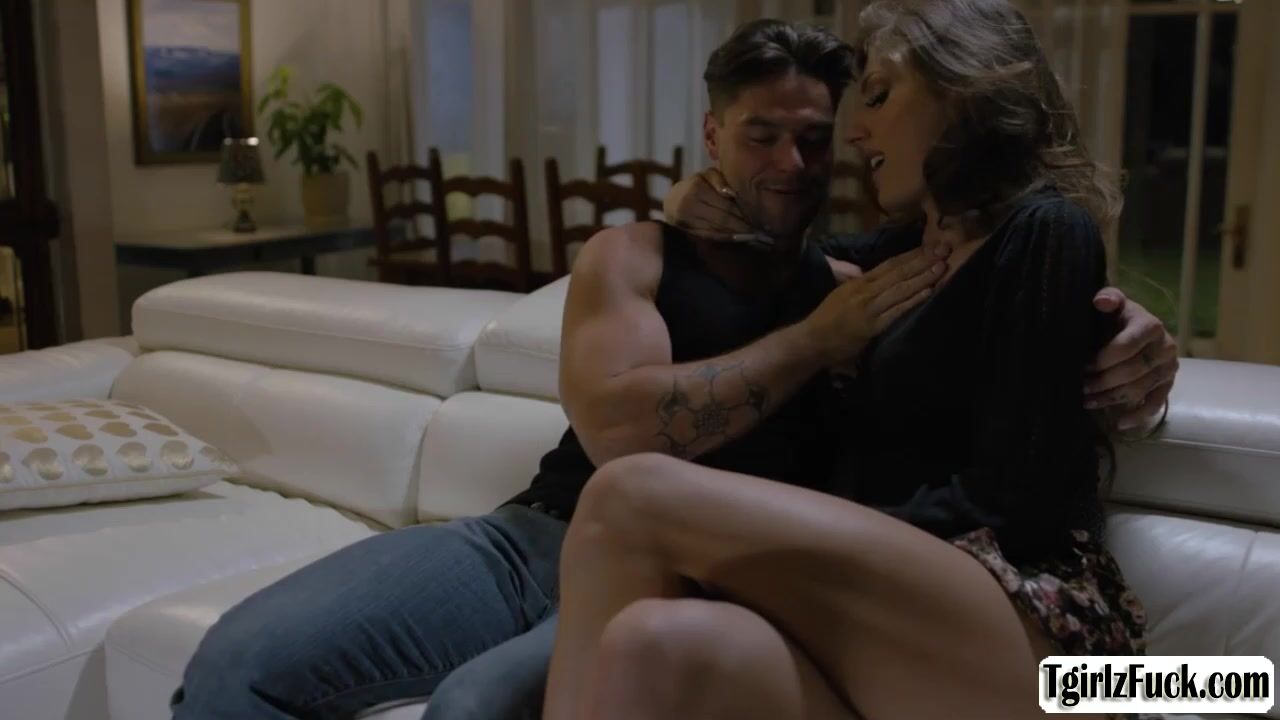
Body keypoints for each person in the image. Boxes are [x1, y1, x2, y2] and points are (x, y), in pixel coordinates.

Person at [171, 15, 1175, 720]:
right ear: (710, 136)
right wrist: (810, 338)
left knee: (483, 696)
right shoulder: (660, 255)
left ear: (958, 98)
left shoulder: (897, 263)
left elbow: (1017, 432)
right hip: (541, 535)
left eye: (820, 136)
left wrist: (1126, 332)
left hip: (816, 576)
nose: (799, 160)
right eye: (760, 136)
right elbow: (616, 433)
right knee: (236, 661)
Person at [544, 4, 1161, 720]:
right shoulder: (895, 257)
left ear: (960, 91)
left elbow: (1015, 507)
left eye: (878, 95)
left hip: (1037, 626)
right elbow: (779, 255)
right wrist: (701, 193)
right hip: (908, 620)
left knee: (630, 495)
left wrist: (795, 544)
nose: (856, 131)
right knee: (651, 643)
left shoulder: (1046, 230)